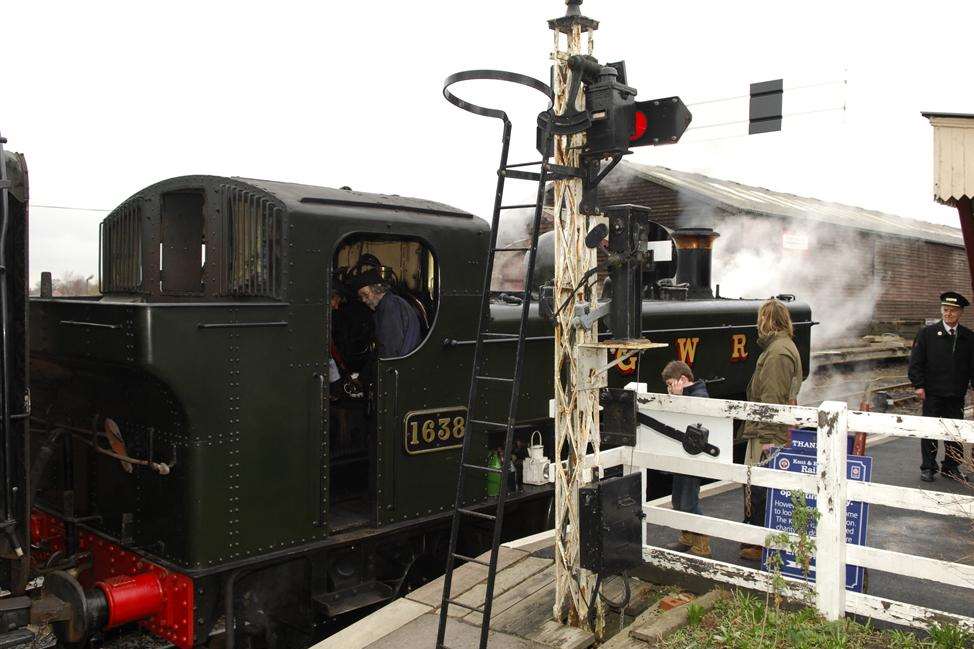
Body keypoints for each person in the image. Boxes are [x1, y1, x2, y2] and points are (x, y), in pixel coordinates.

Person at [739, 298, 804, 561]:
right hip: (769, 429)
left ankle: (758, 543)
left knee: (760, 485)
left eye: (760, 319)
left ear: (767, 321)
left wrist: (767, 439)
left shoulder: (777, 353)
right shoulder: (781, 347)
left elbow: (772, 399)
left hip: (767, 432)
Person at [908, 291, 972, 483]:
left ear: (960, 313)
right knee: (930, 430)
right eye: (945, 310)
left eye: (953, 311)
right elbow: (916, 362)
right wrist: (918, 385)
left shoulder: (969, 337)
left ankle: (951, 467)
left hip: (956, 394)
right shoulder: (927, 334)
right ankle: (928, 467)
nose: (948, 314)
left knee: (955, 431)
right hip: (932, 393)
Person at [661, 360, 711, 557]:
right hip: (683, 455)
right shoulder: (685, 394)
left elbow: (695, 417)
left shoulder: (699, 394)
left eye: (670, 383)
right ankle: (688, 537)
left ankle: (703, 544)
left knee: (689, 502)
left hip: (694, 457)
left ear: (682, 379)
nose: (669, 389)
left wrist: (679, 399)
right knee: (678, 500)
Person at [351, 269, 423, 358]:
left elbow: (391, 349)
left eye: (365, 295)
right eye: (361, 297)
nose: (364, 300)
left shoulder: (390, 307)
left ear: (376, 289)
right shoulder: (389, 303)